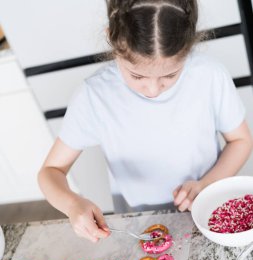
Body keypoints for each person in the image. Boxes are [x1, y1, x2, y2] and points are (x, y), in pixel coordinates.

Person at [38, 0, 253, 243]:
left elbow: (241, 140)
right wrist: (72, 204)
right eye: (137, 75)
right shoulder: (94, 96)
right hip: (140, 224)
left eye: (170, 75)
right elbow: (50, 171)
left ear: (189, 44)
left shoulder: (210, 76)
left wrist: (207, 184)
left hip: (208, 213)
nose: (152, 90)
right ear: (112, 39)